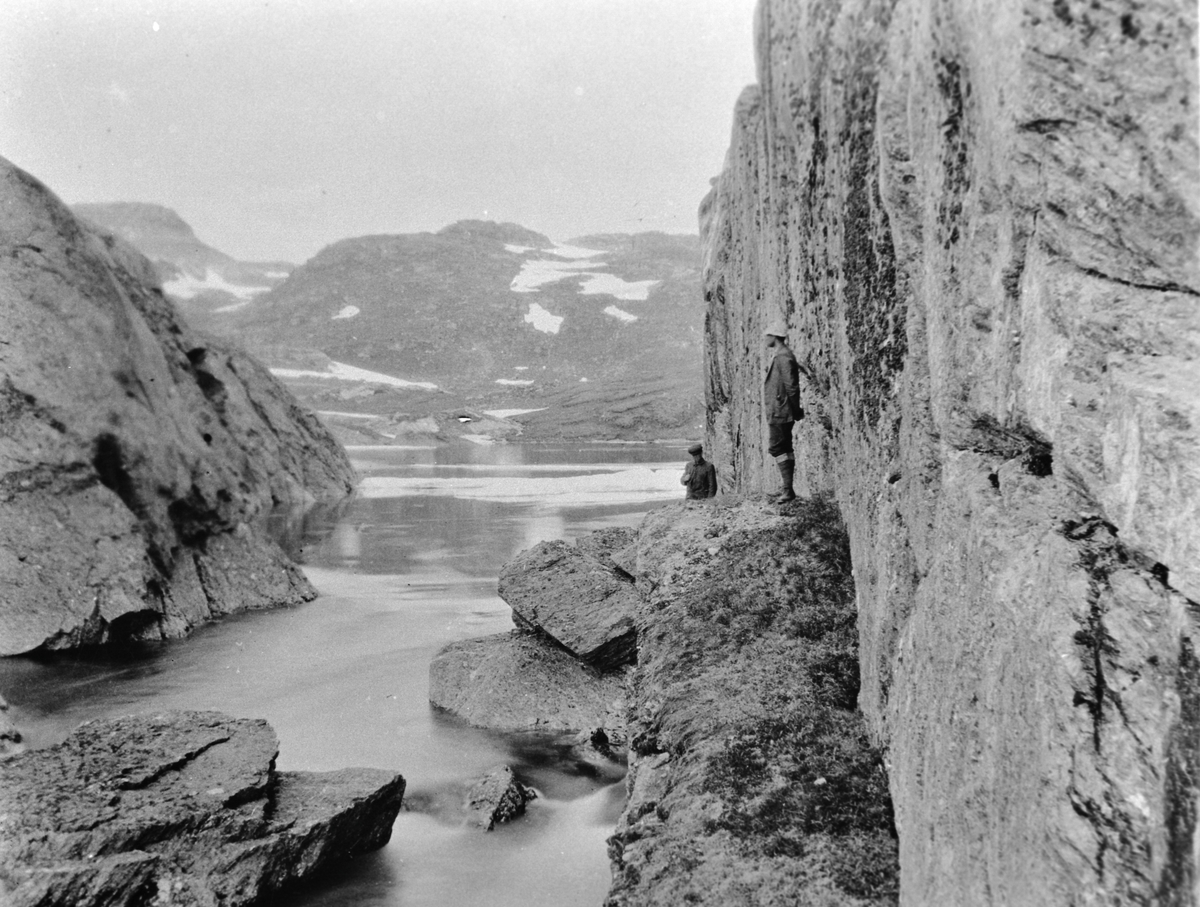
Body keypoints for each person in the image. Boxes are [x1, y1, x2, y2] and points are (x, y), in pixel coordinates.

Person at [763, 322, 803, 502]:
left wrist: (795, 410)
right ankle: (788, 488)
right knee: (784, 447)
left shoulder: (783, 357)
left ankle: (788, 490)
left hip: (781, 410)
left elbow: (791, 387)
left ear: (774, 337)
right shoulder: (781, 356)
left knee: (778, 447)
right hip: (780, 409)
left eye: (767, 335)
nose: (765, 339)